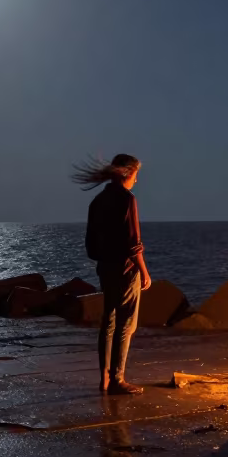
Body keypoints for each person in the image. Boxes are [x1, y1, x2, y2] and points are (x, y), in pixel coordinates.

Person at [73, 153, 151, 395]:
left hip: (105, 268)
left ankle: (104, 378)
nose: (137, 181)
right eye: (136, 175)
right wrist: (144, 272)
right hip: (125, 270)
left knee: (108, 321)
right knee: (126, 323)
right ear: (128, 173)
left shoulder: (97, 201)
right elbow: (133, 243)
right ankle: (118, 379)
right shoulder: (127, 200)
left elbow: (90, 245)